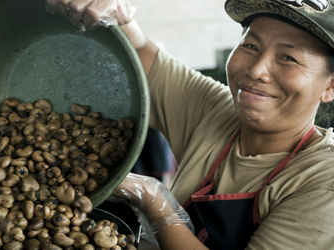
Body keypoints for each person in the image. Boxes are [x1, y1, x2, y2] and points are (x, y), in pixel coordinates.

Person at [46, 0, 334, 249]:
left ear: (330, 87)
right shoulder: (218, 110)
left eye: (288, 57)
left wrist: (157, 205)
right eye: (250, 45)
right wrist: (111, 10)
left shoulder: (323, 183)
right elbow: (143, 52)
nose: (257, 70)